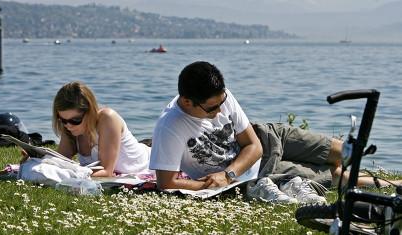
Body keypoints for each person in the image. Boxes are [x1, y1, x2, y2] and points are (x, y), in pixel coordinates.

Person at [149, 61, 401, 203]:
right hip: (259, 173)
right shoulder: (169, 127)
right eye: (212, 108)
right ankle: (395, 185)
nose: (219, 110)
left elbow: (254, 145)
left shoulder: (222, 98)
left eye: (222, 102)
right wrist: (220, 182)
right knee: (336, 175)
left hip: (269, 137)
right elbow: (166, 183)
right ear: (187, 102)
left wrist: (227, 174)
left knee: (344, 152)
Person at [52, 81, 151, 177]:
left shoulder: (107, 118)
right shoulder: (70, 128)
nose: (69, 125)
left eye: (75, 120)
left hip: (148, 162)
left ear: (90, 112)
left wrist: (70, 174)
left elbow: (106, 171)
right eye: (63, 120)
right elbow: (59, 163)